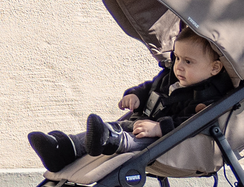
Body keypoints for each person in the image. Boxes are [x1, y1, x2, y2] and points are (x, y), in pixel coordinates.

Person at [27, 26, 232, 171]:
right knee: (109, 128)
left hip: (163, 142)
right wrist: (135, 95)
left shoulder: (206, 99)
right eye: (177, 58)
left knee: (131, 139)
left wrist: (160, 128)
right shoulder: (170, 78)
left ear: (215, 68)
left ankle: (113, 140)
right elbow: (149, 87)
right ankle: (62, 148)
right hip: (138, 123)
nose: (178, 66)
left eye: (188, 61)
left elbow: (193, 124)